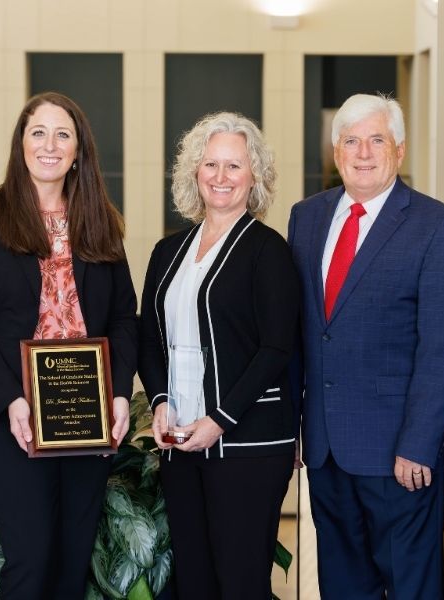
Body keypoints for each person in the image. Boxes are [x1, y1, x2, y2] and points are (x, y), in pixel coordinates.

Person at [0, 92, 137, 599]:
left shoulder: (100, 221)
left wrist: (118, 394)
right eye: (38, 132)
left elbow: (122, 317)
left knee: (73, 565)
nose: (49, 145)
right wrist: (9, 397)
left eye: (63, 134)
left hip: (85, 420)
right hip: (12, 418)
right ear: (21, 142)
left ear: (79, 151)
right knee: (30, 563)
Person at [288, 93, 444, 599]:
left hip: (402, 455)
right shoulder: (306, 219)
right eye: (351, 140)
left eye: (377, 140)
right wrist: (299, 426)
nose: (363, 152)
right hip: (326, 450)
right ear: (336, 150)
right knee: (344, 586)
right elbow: (304, 335)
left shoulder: (438, 227)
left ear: (400, 150)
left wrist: (418, 445)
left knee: (409, 588)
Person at [138, 112, 300, 600]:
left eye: (234, 166)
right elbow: (151, 337)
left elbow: (277, 349)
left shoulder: (267, 251)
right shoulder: (169, 251)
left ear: (255, 176)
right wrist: (162, 402)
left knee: (241, 581)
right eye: (211, 164)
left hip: (247, 443)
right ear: (194, 171)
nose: (221, 177)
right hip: (180, 438)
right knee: (195, 579)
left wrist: (219, 419)